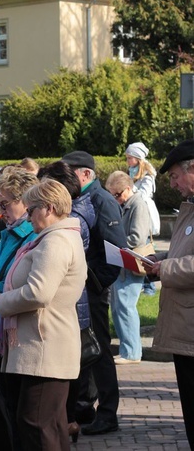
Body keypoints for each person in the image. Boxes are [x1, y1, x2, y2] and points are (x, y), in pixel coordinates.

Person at [0, 179, 87, 451]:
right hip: (43, 343)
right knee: (50, 424)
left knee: (36, 422)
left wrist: (0, 302)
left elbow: (38, 293)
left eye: (32, 209)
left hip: (46, 347)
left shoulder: (55, 241)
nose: (28, 215)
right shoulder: (54, 238)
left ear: (49, 208)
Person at [62, 150, 126, 436]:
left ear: (85, 174)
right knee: (84, 352)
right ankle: (85, 406)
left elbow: (116, 253)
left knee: (99, 351)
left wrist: (93, 284)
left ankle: (108, 412)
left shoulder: (101, 200)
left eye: (69, 172)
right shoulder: (82, 199)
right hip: (81, 290)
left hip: (92, 291)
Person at [37, 160, 96, 441]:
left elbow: (42, 289)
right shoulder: (72, 220)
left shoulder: (67, 227)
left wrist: (3, 300)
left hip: (68, 308)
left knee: (65, 390)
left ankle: (71, 421)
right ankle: (69, 422)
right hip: (72, 306)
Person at [142, 138, 194, 448]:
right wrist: (159, 261)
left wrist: (167, 269)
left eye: (174, 176)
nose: (172, 183)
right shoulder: (188, 209)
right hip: (184, 325)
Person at [0, 166, 39, 348]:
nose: (1, 212)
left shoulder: (32, 237)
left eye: (4, 204)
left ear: (25, 201)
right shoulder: (8, 233)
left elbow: (23, 285)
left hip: (17, 330)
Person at [106, 171, 151, 365]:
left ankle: (132, 352)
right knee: (119, 307)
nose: (116, 199)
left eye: (117, 195)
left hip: (131, 263)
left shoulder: (137, 205)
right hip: (123, 261)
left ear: (127, 188)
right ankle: (128, 350)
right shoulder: (128, 204)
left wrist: (116, 242)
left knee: (125, 307)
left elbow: (138, 237)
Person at [125, 141, 159, 295]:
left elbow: (144, 195)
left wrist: (131, 190)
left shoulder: (147, 175)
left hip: (143, 212)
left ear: (137, 158)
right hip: (134, 210)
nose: (127, 161)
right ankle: (144, 284)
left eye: (129, 158)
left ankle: (150, 286)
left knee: (145, 251)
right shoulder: (132, 172)